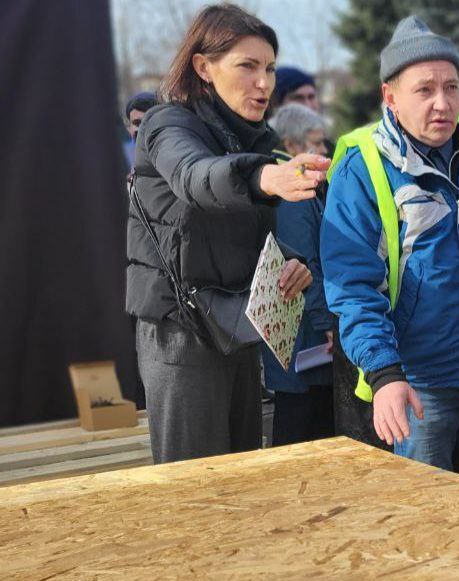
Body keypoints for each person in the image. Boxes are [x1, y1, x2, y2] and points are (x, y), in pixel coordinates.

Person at [321, 16, 459, 488]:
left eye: (451, 87)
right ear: (390, 97)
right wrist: (384, 375)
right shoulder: (363, 170)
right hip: (417, 388)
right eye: (424, 90)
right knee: (425, 527)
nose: (443, 103)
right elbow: (353, 289)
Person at [127, 4, 326, 464]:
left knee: (241, 479)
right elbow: (197, 177)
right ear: (204, 67)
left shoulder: (254, 136)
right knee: (194, 490)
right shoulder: (167, 125)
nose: (265, 82)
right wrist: (265, 178)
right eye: (248, 66)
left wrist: (292, 262)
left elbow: (248, 235)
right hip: (180, 332)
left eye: (270, 68)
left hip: (237, 327)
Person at [263, 103, 334, 446]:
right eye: (316, 144)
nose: (324, 152)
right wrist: (326, 325)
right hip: (304, 341)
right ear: (292, 147)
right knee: (302, 430)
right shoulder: (294, 195)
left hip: (298, 340)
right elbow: (306, 265)